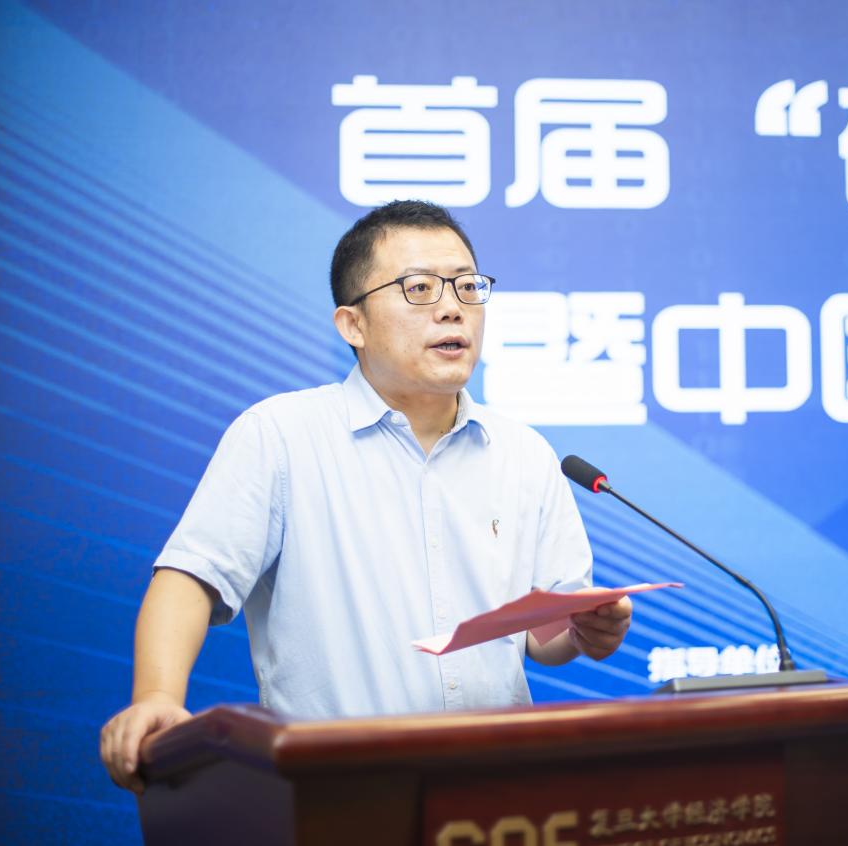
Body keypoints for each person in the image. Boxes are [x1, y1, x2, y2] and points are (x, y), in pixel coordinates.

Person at [99, 200, 632, 793]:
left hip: (495, 792)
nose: (453, 308)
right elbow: (192, 578)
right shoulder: (282, 435)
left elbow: (540, 636)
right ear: (353, 325)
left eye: (467, 286)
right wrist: (156, 697)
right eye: (420, 288)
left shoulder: (524, 452)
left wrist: (582, 631)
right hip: (335, 793)